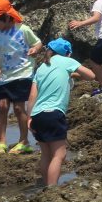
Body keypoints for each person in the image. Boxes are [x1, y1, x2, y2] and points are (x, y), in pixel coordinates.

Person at [27, 38, 95, 187]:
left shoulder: (41, 67)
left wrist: (29, 118)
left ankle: (46, 185)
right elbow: (91, 76)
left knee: (46, 154)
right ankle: (52, 189)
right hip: (54, 113)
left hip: (37, 114)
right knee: (59, 155)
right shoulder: (67, 61)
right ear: (68, 53)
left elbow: (32, 96)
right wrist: (72, 71)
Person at [0, 0, 43, 155]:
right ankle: (1, 142)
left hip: (23, 73)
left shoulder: (22, 29)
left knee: (18, 108)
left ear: (7, 17)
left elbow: (37, 43)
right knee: (2, 107)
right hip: (4, 75)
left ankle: (24, 141)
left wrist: (35, 50)